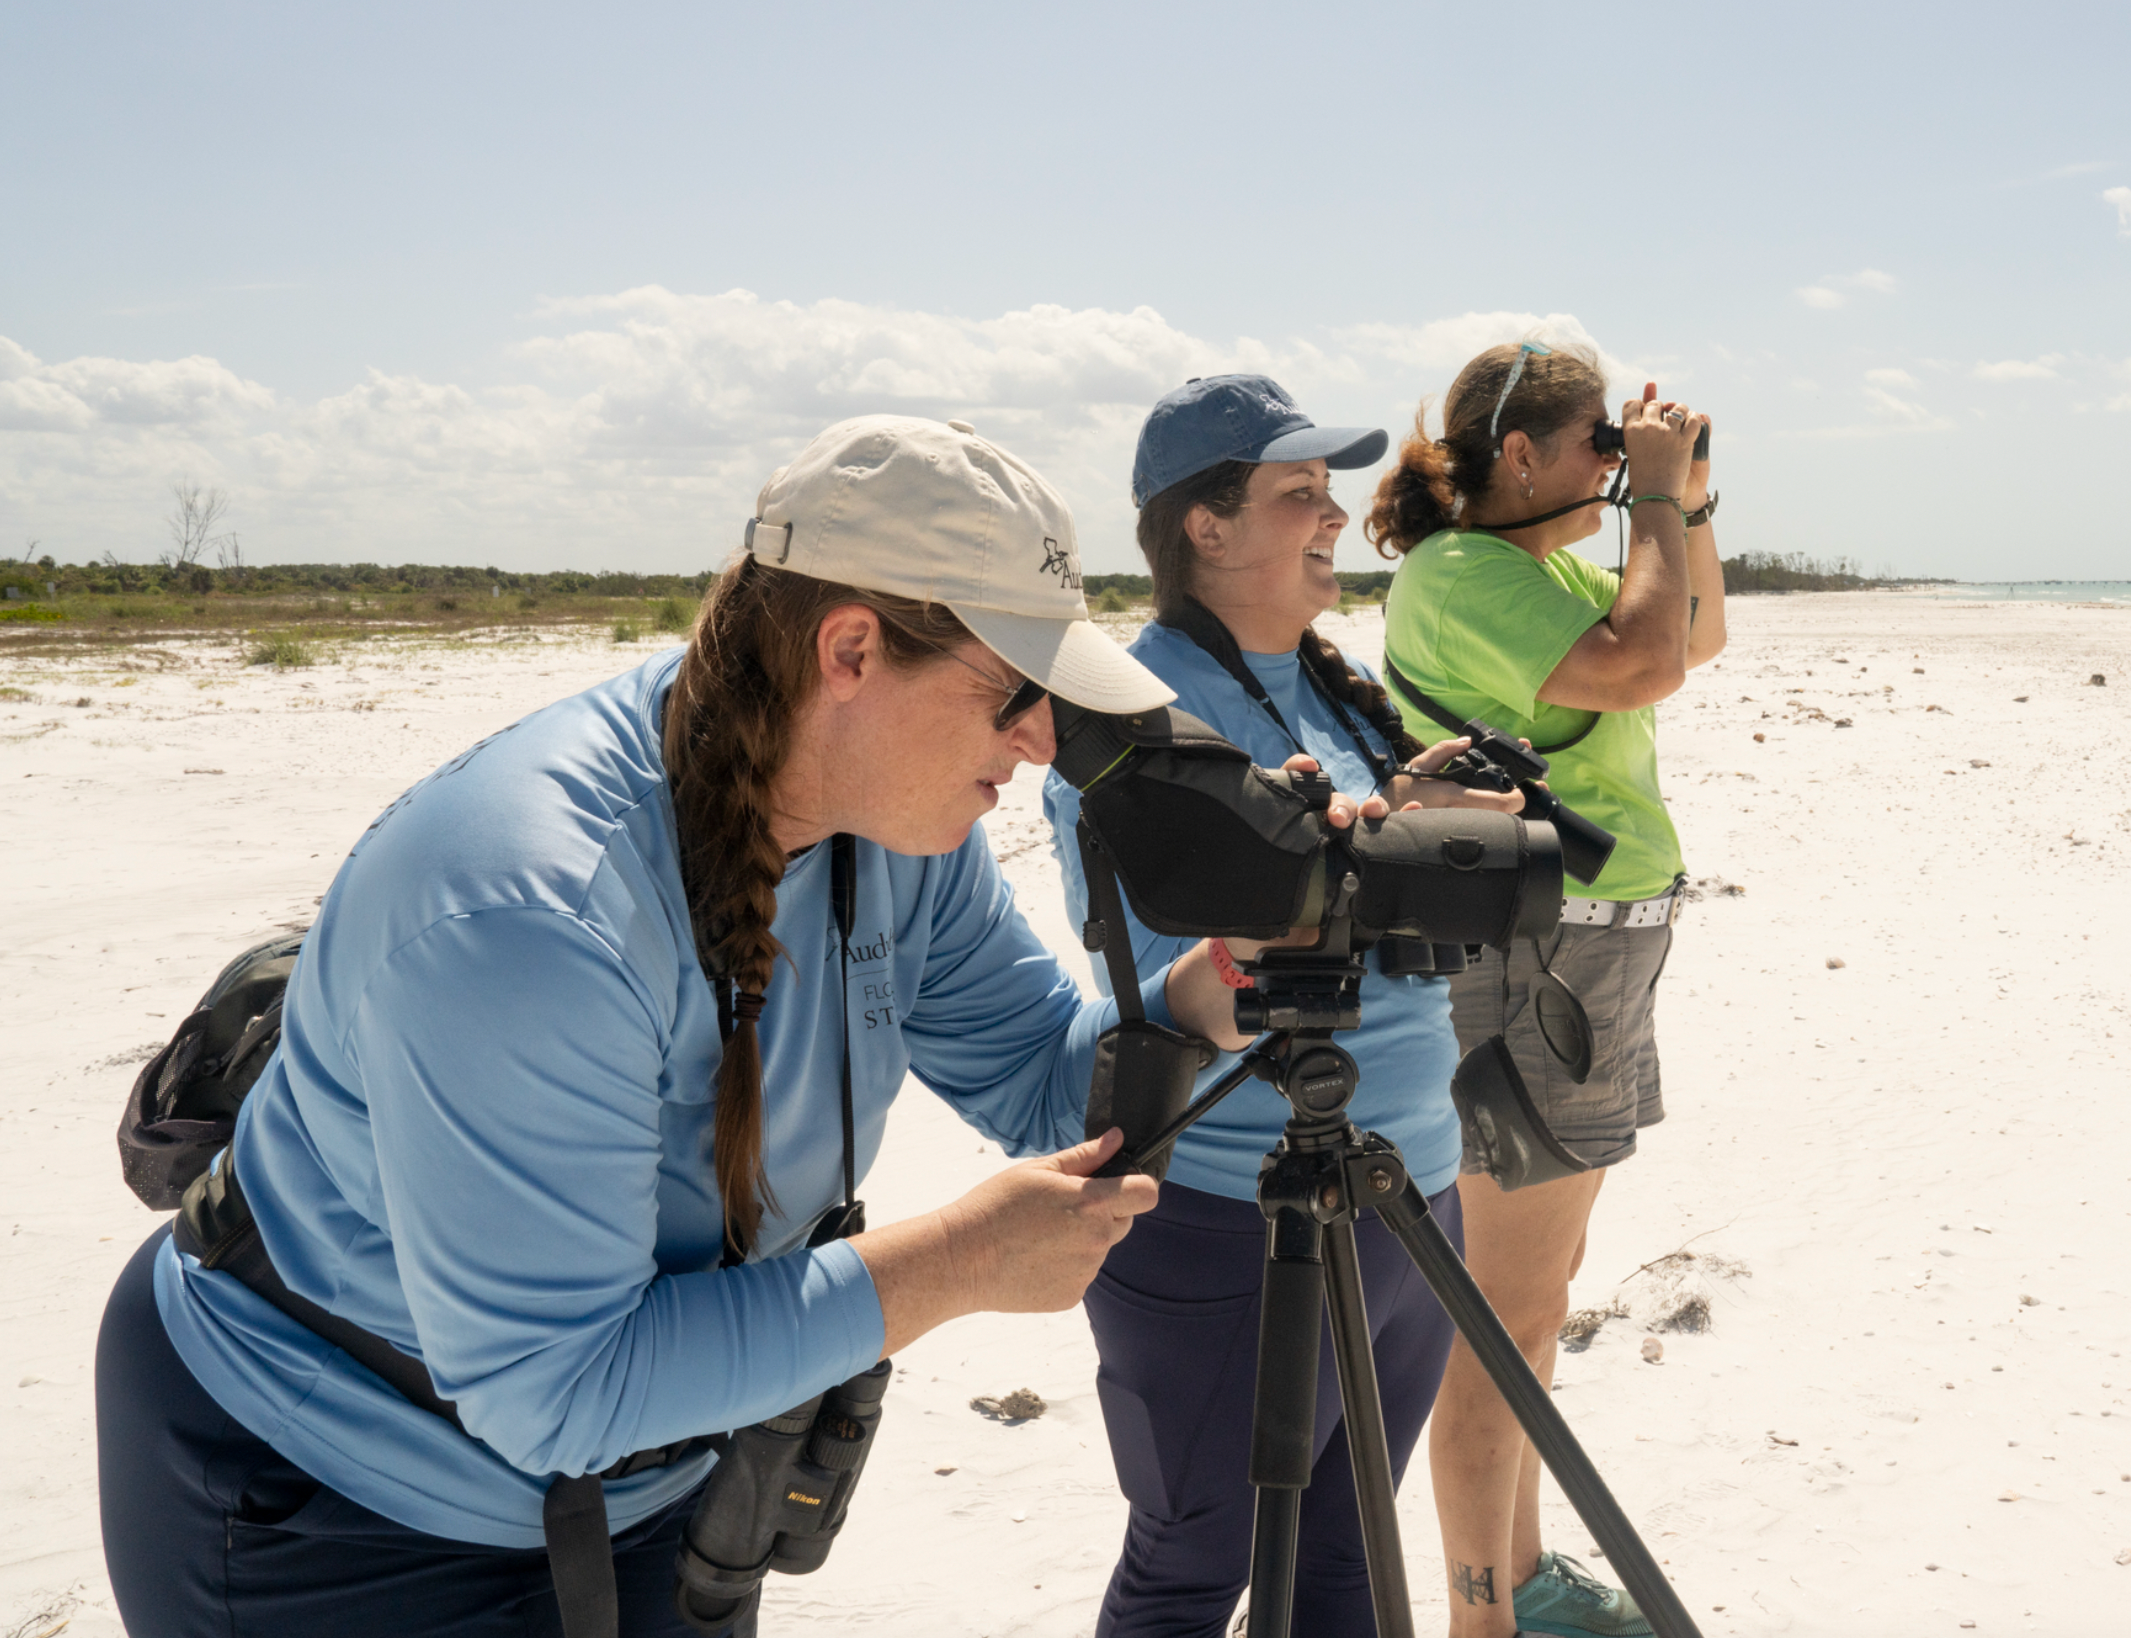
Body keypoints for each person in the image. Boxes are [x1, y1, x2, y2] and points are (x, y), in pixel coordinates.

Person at [93, 415, 1378, 1637]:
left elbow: (1043, 1076)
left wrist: (1207, 997)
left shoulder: (889, 826)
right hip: (326, 1504)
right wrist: (952, 1268)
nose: (1043, 740)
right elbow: (558, 1387)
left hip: (648, 1475)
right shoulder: (533, 912)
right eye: (1011, 693)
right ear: (851, 652)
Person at [1041, 375, 1522, 1638]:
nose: (1334, 515)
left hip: (1405, 1178)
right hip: (1225, 1208)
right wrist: (1351, 867)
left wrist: (1411, 817)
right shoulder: (1127, 711)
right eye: (1298, 493)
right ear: (1202, 526)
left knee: (1349, 1552)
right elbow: (1162, 976)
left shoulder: (1318, 679)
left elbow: (1347, 891)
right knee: (1191, 1572)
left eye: (1328, 490)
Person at [1365, 341, 1725, 1638]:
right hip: (1539, 957)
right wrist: (1658, 501)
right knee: (1503, 1308)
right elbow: (1644, 667)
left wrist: (1685, 503)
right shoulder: (1460, 572)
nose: (1610, 473)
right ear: (1520, 454)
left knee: (1539, 1289)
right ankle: (1482, 1618)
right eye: (1597, 449)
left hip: (1590, 947)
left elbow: (1692, 630)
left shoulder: (1541, 568)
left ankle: (1518, 1580)